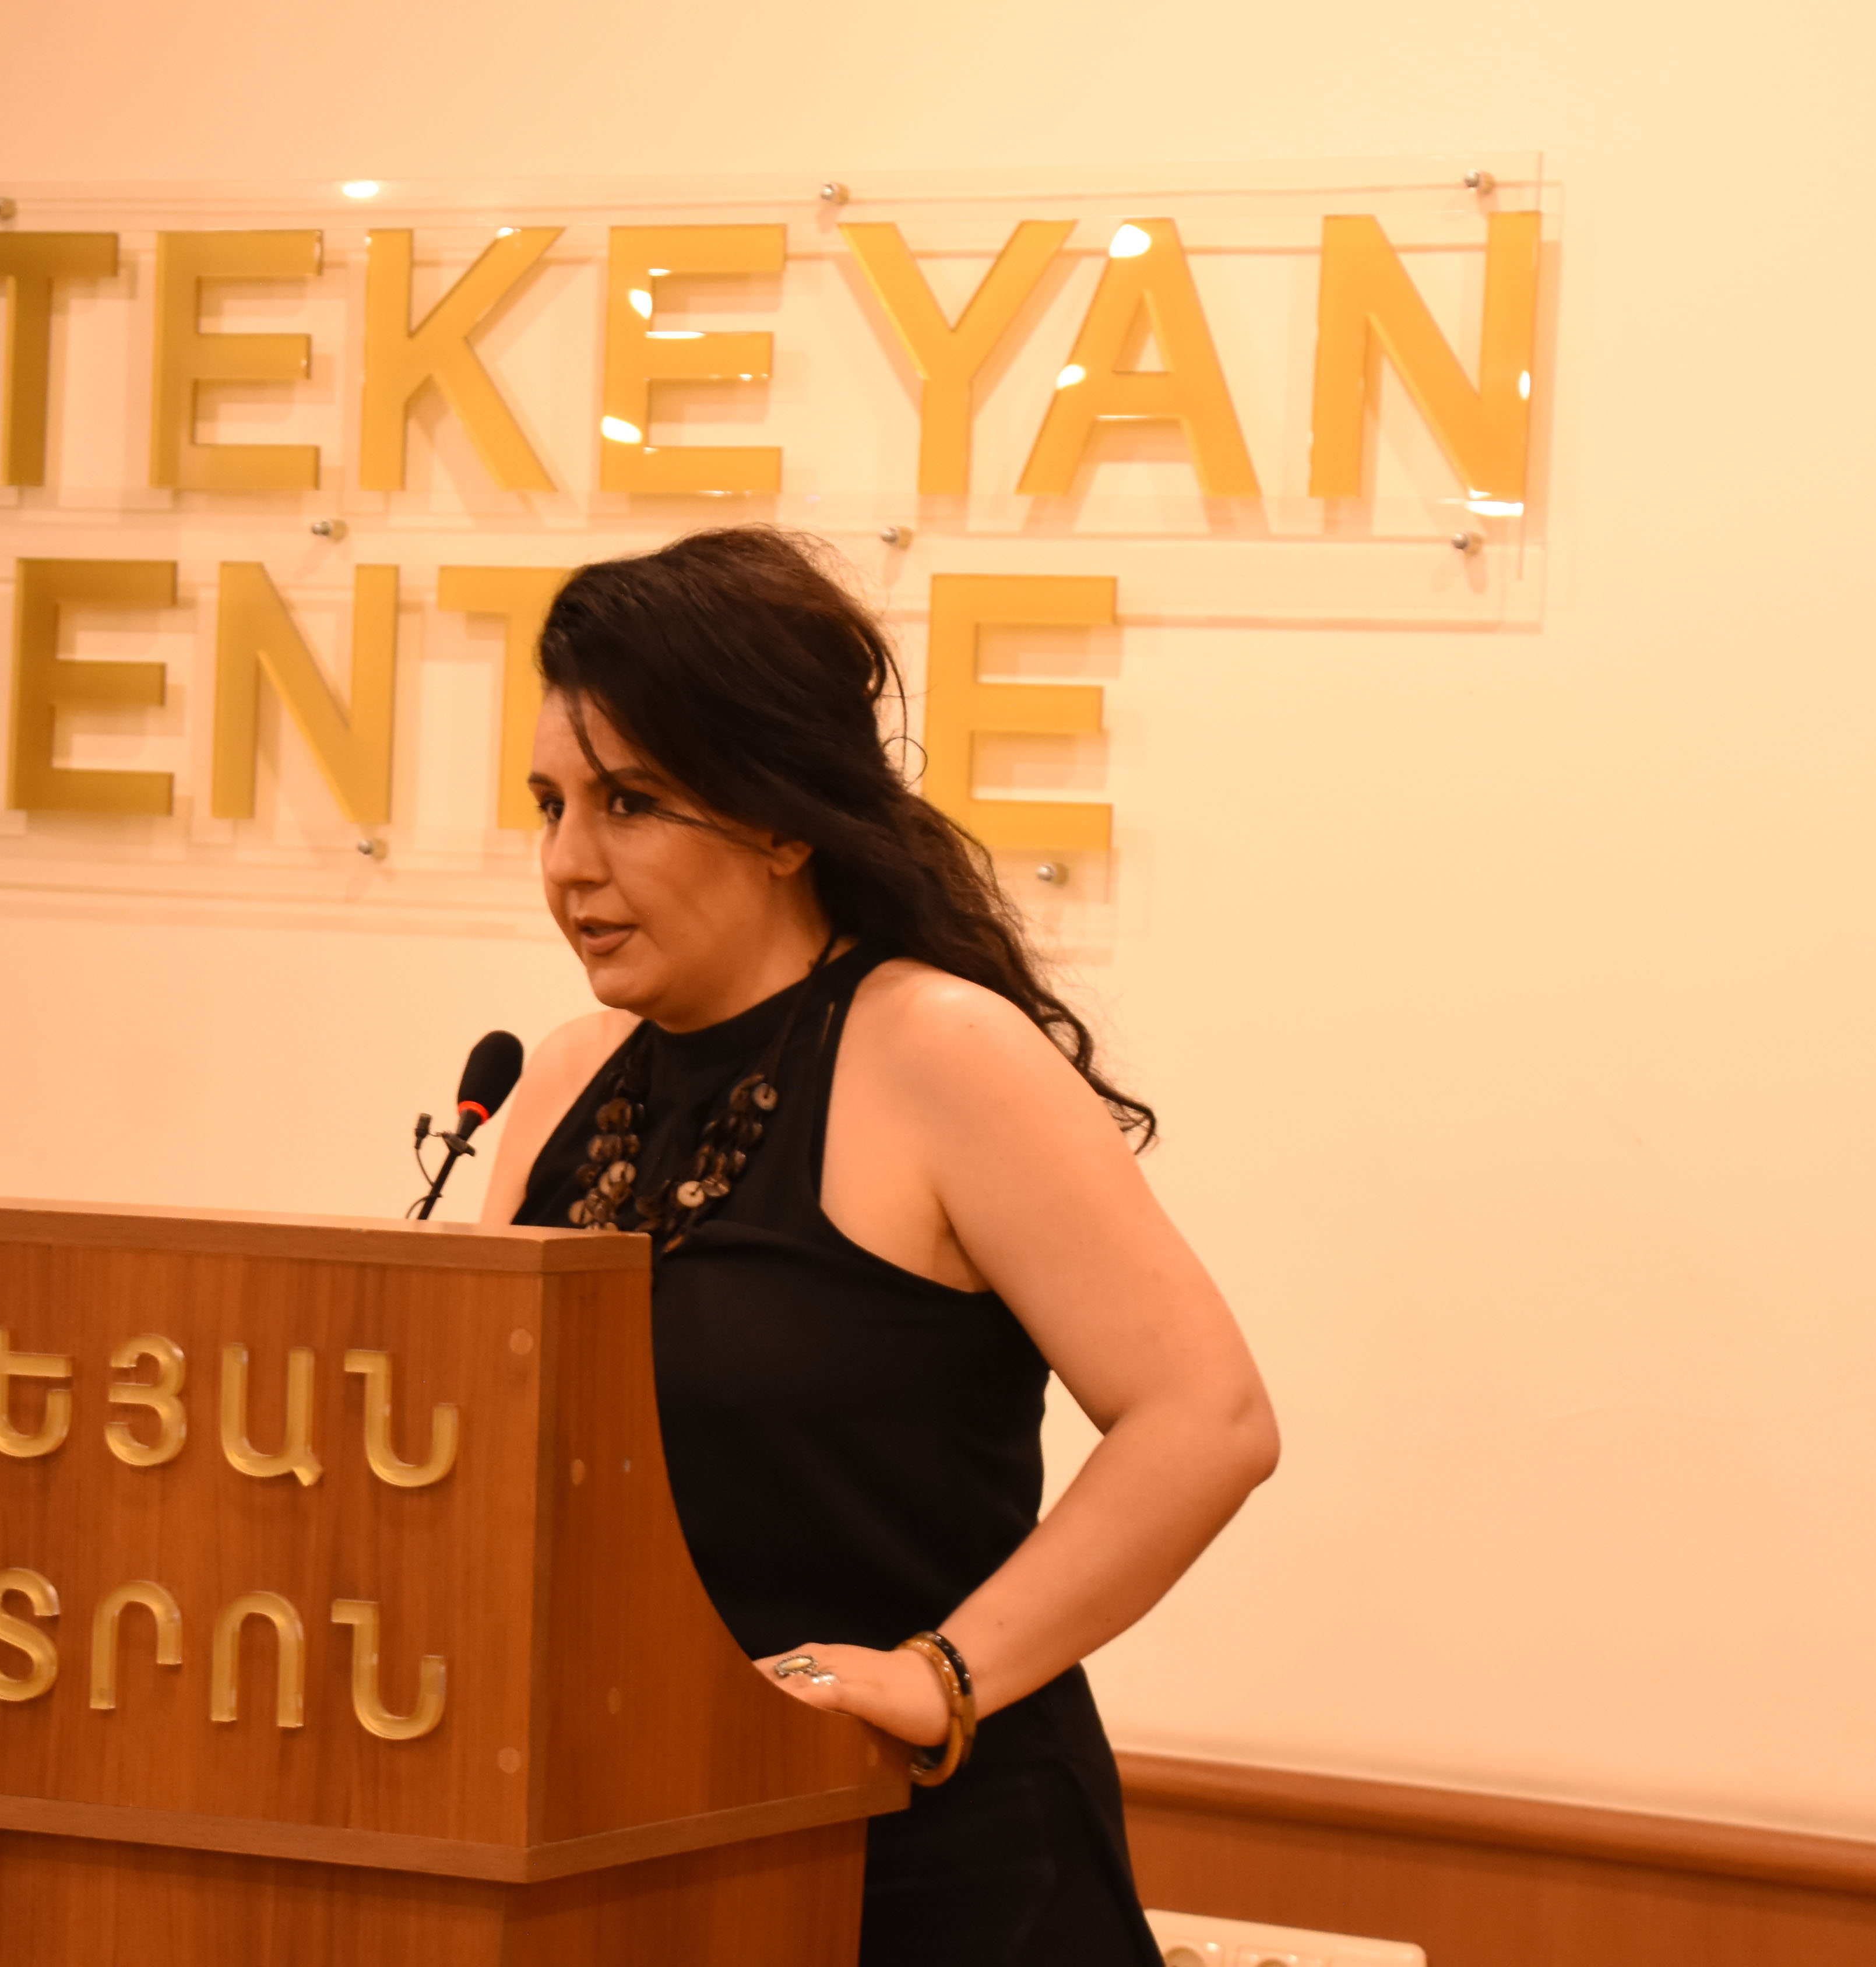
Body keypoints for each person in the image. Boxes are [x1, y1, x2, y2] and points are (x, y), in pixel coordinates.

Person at [477, 528, 1279, 1964]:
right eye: (552, 805)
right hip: (636, 1856)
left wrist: (943, 1674)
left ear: (782, 819)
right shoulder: (558, 1080)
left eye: (630, 802)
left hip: (934, 1871)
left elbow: (1207, 1417)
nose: (569, 863)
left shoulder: (939, 1047)